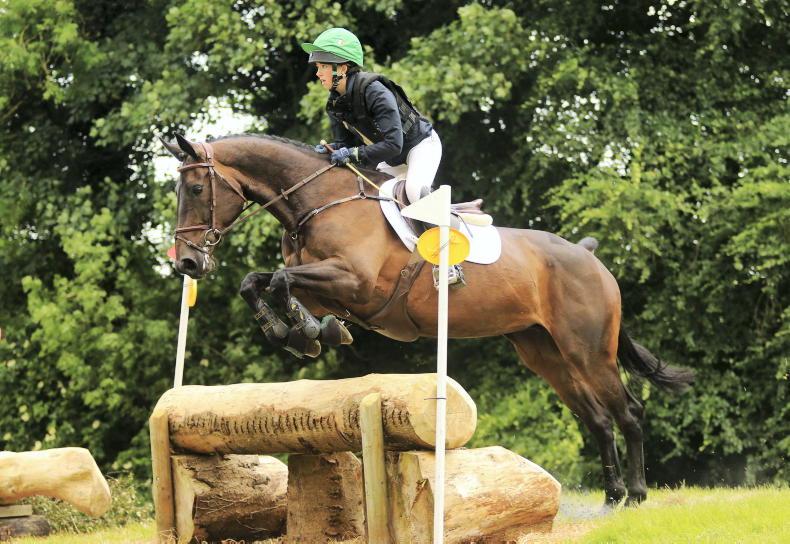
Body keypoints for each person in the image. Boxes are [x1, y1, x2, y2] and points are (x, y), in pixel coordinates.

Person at [301, 27, 441, 205]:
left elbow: (393, 144)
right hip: (392, 159)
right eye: (318, 67)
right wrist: (332, 149)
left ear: (342, 68)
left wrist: (352, 154)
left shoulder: (375, 93)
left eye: (324, 66)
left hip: (420, 146)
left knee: (414, 194)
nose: (318, 73)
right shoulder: (335, 103)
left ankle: (454, 221)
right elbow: (346, 144)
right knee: (370, 199)